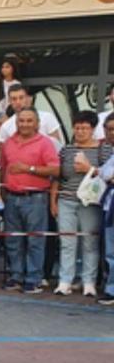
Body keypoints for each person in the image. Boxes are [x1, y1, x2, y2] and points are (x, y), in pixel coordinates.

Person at [0, 109, 60, 294]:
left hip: (35, 198)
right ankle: (16, 276)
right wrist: (3, 189)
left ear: (37, 123)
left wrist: (29, 168)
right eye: (21, 121)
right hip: (12, 196)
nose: (24, 124)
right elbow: (3, 167)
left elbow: (55, 171)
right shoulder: (9, 142)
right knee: (13, 240)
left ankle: (33, 278)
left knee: (35, 241)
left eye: (29, 121)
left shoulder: (45, 143)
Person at [52, 111, 111, 297]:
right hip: (66, 199)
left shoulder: (104, 150)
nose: (80, 132)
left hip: (90, 202)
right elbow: (57, 177)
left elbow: (106, 176)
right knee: (67, 242)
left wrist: (89, 169)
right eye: (77, 128)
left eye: (85, 128)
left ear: (93, 129)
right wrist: (53, 201)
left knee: (90, 242)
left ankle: (89, 281)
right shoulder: (66, 149)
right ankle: (65, 281)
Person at [97, 116, 114, 305]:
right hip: (110, 205)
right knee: (111, 252)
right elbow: (105, 174)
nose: (111, 133)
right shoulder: (111, 154)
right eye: (108, 129)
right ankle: (111, 289)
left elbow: (107, 175)